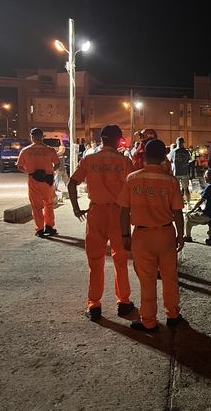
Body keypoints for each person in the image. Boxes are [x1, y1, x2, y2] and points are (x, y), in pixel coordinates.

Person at [67, 125, 135, 322]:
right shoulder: (124, 161)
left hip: (96, 213)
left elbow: (72, 183)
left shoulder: (89, 159)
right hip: (119, 214)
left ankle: (94, 305)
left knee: (95, 262)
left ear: (102, 138)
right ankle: (123, 303)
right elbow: (132, 188)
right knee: (121, 260)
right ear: (118, 140)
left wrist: (76, 208)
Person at [118, 139, 185, 332]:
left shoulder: (132, 179)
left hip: (141, 235)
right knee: (169, 277)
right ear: (164, 157)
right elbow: (178, 212)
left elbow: (123, 211)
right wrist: (180, 236)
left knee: (147, 281)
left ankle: (148, 321)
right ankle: (173, 315)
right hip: (165, 234)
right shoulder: (170, 181)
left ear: (144, 156)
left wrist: (124, 235)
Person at [16, 127, 60, 237]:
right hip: (48, 181)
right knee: (49, 204)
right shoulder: (50, 150)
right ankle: (49, 227)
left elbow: (19, 166)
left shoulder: (26, 150)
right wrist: (50, 171)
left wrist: (30, 172)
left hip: (33, 180)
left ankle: (40, 229)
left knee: (36, 206)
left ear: (31, 137)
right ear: (42, 137)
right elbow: (57, 164)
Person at [184, 168, 211, 243]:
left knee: (188, 217)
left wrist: (192, 210)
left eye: (206, 175)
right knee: (197, 215)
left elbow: (200, 200)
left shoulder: (210, 187)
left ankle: (187, 237)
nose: (205, 177)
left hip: (210, 215)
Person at [171, 137, 192, 208]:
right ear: (183, 143)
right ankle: (188, 204)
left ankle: (177, 204)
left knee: (175, 190)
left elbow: (170, 161)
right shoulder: (186, 152)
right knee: (186, 188)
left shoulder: (173, 151)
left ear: (177, 143)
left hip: (176, 173)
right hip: (185, 172)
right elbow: (189, 161)